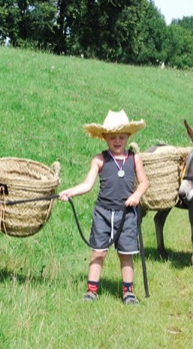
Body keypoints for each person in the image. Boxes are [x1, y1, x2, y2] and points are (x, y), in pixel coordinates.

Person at [58, 109, 149, 304]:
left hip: (126, 214)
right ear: (105, 138)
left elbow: (144, 183)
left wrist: (136, 195)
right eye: (112, 137)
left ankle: (128, 292)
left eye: (122, 137)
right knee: (98, 251)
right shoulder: (99, 159)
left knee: (126, 253)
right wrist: (69, 192)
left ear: (128, 136)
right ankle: (92, 290)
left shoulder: (134, 159)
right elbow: (87, 184)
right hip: (103, 213)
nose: (117, 141)